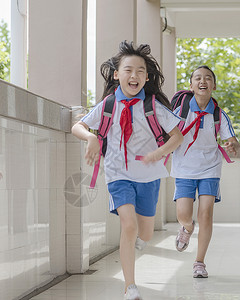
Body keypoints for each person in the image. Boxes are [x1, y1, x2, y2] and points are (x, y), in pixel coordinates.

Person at [72, 41, 183, 300]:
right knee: (129, 226)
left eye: (140, 71)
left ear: (147, 76)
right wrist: (91, 138)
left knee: (144, 232)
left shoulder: (152, 106)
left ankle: (140, 242)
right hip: (118, 174)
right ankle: (130, 286)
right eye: (128, 70)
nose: (134, 75)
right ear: (116, 74)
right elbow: (78, 126)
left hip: (149, 175)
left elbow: (177, 136)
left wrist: (160, 152)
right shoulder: (109, 105)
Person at [171, 66, 240, 278]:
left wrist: (232, 145)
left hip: (210, 167)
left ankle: (199, 262)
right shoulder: (180, 111)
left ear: (214, 86)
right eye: (198, 78)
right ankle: (187, 229)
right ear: (191, 85)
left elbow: (233, 140)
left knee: (206, 214)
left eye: (208, 78)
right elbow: (165, 133)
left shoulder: (218, 114)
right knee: (184, 215)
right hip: (184, 167)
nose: (203, 81)